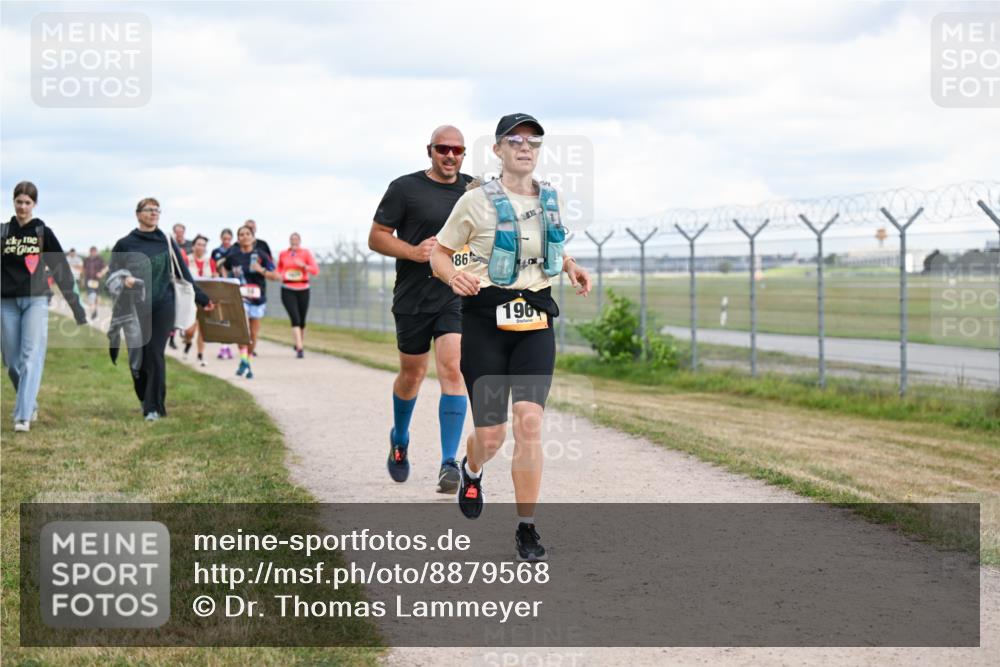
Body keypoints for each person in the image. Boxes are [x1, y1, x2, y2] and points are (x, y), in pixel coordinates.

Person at [430, 114, 592, 562]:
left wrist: (571, 265)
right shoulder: (474, 202)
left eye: (533, 142)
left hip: (535, 319)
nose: (525, 147)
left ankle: (526, 527)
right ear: (498, 150)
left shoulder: (551, 199)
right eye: (515, 140)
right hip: (484, 321)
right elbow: (440, 255)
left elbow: (546, 249)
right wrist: (452, 277)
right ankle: (472, 467)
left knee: (530, 422)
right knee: (493, 435)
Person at [369, 124, 471, 494]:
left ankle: (449, 462)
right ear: (429, 150)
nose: (450, 156)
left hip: (454, 295)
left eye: (457, 150)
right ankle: (399, 438)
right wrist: (413, 252)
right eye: (443, 149)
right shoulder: (405, 188)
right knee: (412, 375)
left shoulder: (475, 191)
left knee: (453, 369)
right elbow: (376, 236)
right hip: (412, 297)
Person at [108, 198, 212, 421]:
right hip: (135, 307)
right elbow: (112, 275)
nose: (154, 213)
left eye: (157, 210)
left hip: (164, 303)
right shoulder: (125, 244)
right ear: (138, 214)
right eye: (149, 210)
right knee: (139, 358)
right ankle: (145, 395)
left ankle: (154, 407)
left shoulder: (166, 240)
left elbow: (183, 272)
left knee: (155, 353)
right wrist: (124, 279)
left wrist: (202, 298)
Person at [1, 181, 88, 432]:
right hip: (6, 301)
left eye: (28, 202)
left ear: (34, 205)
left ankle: (22, 416)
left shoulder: (43, 233)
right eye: (19, 201)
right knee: (12, 362)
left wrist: (77, 307)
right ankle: (30, 402)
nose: (23, 207)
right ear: (13, 202)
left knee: (30, 357)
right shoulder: (3, 232)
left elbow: (61, 269)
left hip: (36, 300)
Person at [215, 224, 277, 379]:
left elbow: (276, 276)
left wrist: (260, 270)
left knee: (253, 334)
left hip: (258, 298)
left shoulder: (261, 254)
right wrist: (225, 278)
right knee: (243, 331)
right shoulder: (233, 255)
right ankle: (243, 359)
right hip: (240, 297)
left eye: (247, 234)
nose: (244, 236)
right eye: (241, 234)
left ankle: (246, 362)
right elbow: (222, 266)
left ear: (253, 236)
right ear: (238, 238)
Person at [277, 233, 319, 358]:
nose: (294, 241)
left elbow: (315, 270)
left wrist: (304, 266)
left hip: (303, 288)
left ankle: (299, 342)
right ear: (289, 241)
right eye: (292, 239)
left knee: (302, 320)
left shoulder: (305, 253)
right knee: (294, 318)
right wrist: (279, 274)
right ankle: (300, 348)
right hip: (288, 288)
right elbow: (279, 268)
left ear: (300, 241)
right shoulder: (283, 254)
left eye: (296, 239)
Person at [182, 234, 215, 366]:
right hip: (190, 298)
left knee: (203, 329)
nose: (201, 247)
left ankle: (200, 355)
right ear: (193, 246)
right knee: (190, 330)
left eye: (203, 245)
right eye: (198, 244)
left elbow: (215, 277)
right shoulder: (186, 260)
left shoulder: (210, 262)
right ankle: (188, 341)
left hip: (205, 298)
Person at [211, 228, 235, 360]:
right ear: (221, 238)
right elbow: (213, 267)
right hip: (220, 286)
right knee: (222, 317)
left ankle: (228, 346)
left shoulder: (235, 250)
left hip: (232, 286)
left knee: (231, 317)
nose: (226, 241)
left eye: (228, 239)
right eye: (224, 239)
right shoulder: (216, 252)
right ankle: (223, 347)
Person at [82, 245, 107, 319]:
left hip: (97, 281)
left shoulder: (100, 259)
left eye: (94, 251)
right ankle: (93, 312)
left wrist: (101, 273)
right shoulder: (86, 260)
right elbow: (84, 270)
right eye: (92, 251)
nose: (93, 253)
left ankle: (95, 309)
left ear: (96, 252)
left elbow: (105, 268)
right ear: (90, 252)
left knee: (97, 297)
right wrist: (83, 280)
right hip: (89, 281)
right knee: (91, 296)